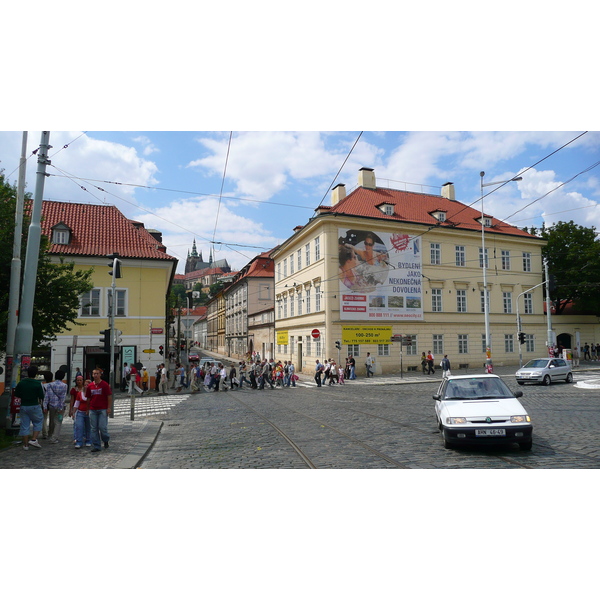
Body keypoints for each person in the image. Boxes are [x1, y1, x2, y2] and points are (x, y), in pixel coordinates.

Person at [15, 365, 45, 450]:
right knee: (38, 421)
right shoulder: (38, 384)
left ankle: (25, 445)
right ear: (36, 374)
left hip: (23, 406)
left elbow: (16, 394)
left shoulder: (21, 383)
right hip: (34, 405)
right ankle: (34, 439)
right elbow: (41, 396)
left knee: (24, 425)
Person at [87, 368, 112, 453]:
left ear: (100, 374)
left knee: (102, 427)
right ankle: (97, 445)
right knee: (94, 428)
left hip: (102, 409)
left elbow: (109, 396)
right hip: (93, 409)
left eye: (97, 373)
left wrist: (109, 408)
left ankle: (105, 439)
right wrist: (87, 409)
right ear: (92, 375)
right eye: (94, 374)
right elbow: (88, 398)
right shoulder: (90, 386)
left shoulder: (104, 385)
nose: (96, 375)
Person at [43, 369, 68, 443]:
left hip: (51, 405)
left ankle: (50, 434)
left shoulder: (50, 385)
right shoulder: (64, 385)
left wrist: (45, 406)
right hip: (60, 406)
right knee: (58, 422)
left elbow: (47, 396)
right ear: (63, 377)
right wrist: (61, 407)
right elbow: (63, 397)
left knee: (51, 421)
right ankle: (54, 438)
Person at [71, 375, 92, 448]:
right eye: (85, 385)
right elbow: (76, 403)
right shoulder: (80, 393)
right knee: (79, 426)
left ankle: (88, 440)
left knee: (88, 427)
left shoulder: (92, 394)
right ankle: (79, 441)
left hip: (89, 413)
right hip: (80, 412)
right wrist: (73, 412)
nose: (86, 386)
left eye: (88, 385)